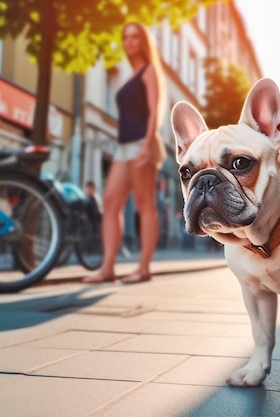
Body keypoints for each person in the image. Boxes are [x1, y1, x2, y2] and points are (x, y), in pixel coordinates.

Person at [82, 22, 166, 285]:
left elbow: (155, 111)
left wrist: (147, 144)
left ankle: (143, 269)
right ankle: (107, 268)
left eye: (134, 37)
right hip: (123, 145)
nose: (129, 42)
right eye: (125, 37)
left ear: (143, 41)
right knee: (110, 202)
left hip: (143, 142)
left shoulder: (149, 71)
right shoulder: (130, 75)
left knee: (144, 205)